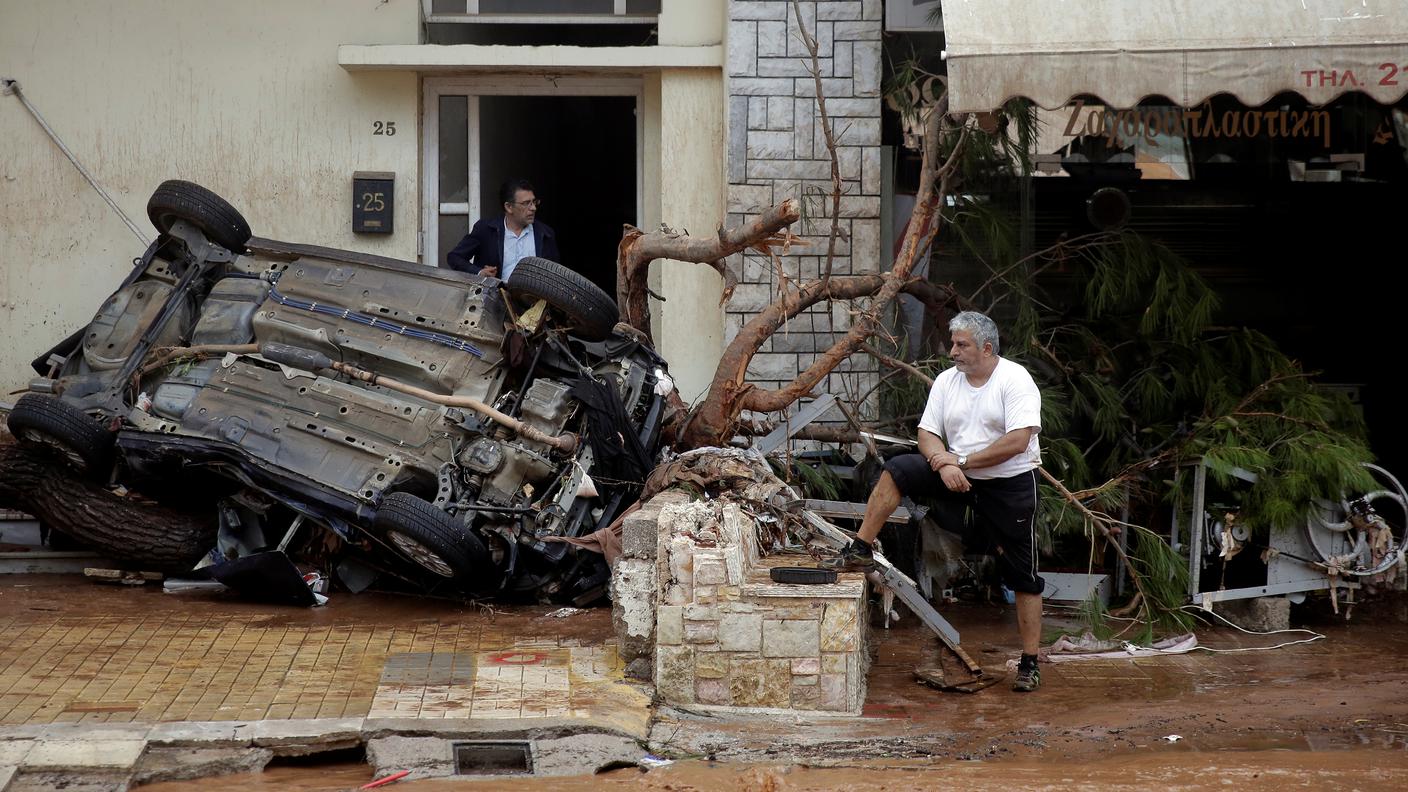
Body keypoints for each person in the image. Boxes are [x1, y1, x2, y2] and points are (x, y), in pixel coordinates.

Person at [824, 310, 1046, 692]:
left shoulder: (1015, 380)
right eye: (953, 343)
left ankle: (1029, 662)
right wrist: (942, 463)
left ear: (987, 348)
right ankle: (860, 547)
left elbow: (1018, 440)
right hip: (955, 472)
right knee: (898, 469)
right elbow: (927, 432)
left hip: (1007, 483)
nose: (953, 351)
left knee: (1023, 576)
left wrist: (960, 461)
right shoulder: (948, 380)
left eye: (962, 345)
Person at [445, 179, 560, 280]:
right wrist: (479, 272)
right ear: (509, 207)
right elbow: (455, 257)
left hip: (534, 302)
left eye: (534, 202)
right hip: (495, 300)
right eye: (526, 203)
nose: (533, 208)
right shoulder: (486, 229)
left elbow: (556, 275)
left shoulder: (545, 234)